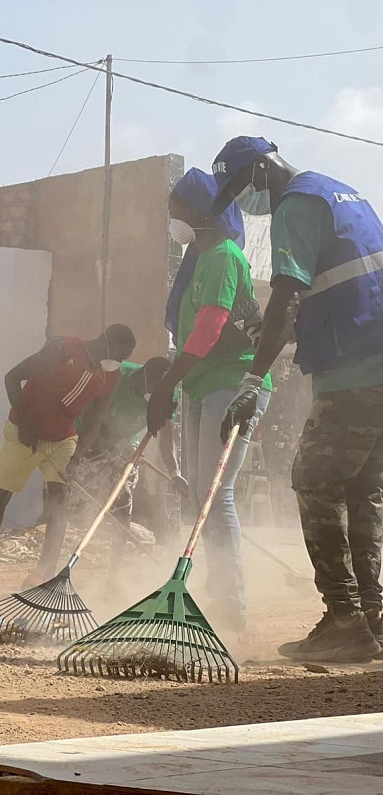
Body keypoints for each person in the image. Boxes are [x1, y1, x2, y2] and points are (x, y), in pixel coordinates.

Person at [215, 136, 383, 662]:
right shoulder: (345, 195)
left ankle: (344, 620)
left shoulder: (295, 204)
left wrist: (251, 380)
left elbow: (286, 296)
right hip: (376, 365)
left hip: (352, 371)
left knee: (311, 479)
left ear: (263, 170)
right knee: (361, 490)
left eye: (242, 188)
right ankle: (373, 617)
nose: (245, 203)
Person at [146, 165, 272, 632]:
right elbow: (189, 335)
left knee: (215, 495)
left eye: (176, 209)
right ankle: (216, 596)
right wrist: (174, 385)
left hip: (234, 384)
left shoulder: (223, 256)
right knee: (202, 493)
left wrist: (164, 385)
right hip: (201, 383)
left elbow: (210, 327)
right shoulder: (197, 260)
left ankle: (231, 610)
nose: (172, 218)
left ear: (200, 213)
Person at [0, 324, 136, 593]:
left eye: (124, 358)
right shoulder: (62, 349)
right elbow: (12, 377)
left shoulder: (109, 376)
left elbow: (94, 418)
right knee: (2, 495)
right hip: (23, 434)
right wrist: (24, 424)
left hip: (62, 439)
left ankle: (43, 576)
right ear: (103, 340)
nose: (120, 362)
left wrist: (78, 456)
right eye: (119, 355)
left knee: (59, 504)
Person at [69, 357, 188, 582]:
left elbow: (166, 437)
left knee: (123, 504)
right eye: (151, 388)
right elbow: (94, 418)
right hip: (86, 442)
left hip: (124, 447)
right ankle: (58, 569)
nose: (153, 395)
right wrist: (114, 443)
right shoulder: (115, 379)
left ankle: (113, 576)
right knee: (76, 508)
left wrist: (175, 472)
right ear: (142, 377)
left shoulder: (166, 393)